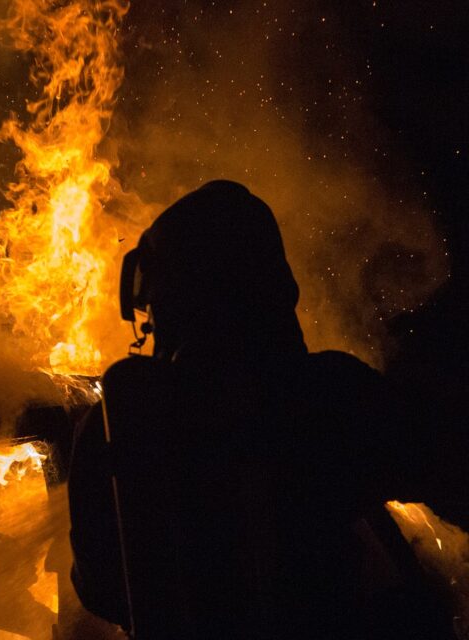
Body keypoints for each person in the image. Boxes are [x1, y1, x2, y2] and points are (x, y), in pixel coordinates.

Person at [67, 180, 456, 639]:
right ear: (274, 283)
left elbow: (99, 590)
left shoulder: (117, 422)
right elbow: (441, 471)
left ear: (163, 301)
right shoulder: (332, 391)